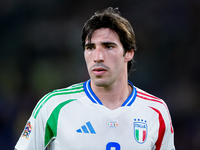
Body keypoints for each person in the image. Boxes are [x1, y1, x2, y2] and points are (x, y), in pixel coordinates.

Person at [15, 7, 175, 150]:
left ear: (129, 53)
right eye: (90, 48)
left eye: (108, 46)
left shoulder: (156, 111)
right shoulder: (54, 106)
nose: (97, 57)